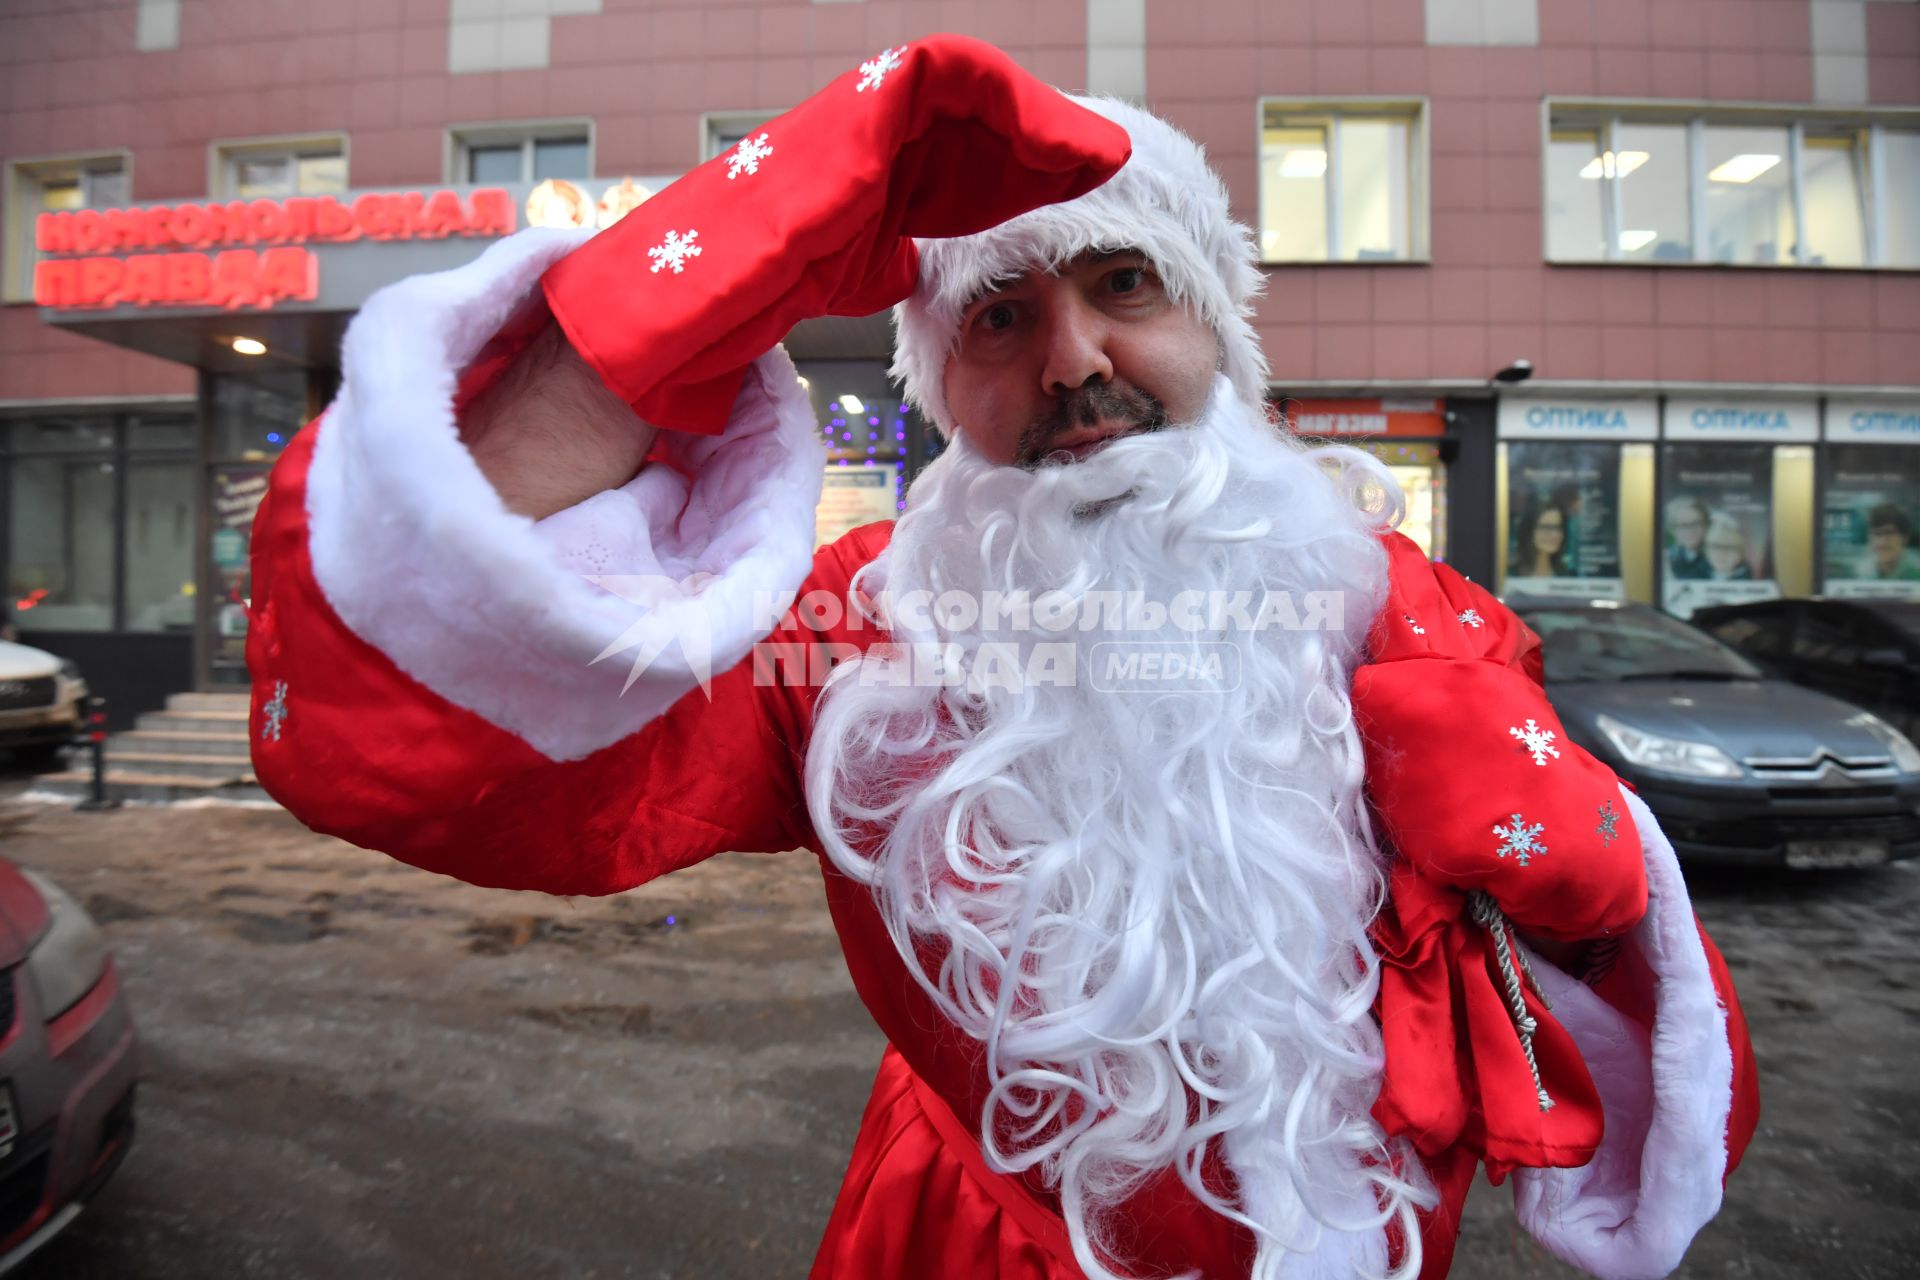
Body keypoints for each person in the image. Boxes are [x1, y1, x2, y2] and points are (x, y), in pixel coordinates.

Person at [246, 38, 1756, 1280]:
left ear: (1216, 327)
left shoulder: (1402, 604)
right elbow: (449, 730)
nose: (1076, 359)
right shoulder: (851, 634)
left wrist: (1592, 876)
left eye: (1126, 286)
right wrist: (648, 316)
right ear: (938, 375)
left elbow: (1587, 984)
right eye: (1002, 313)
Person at [1514, 498, 1570, 578]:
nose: (1555, 534)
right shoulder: (1510, 576)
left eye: (1558, 528)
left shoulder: (1568, 576)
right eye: (1546, 527)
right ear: (1529, 531)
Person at [1863, 503, 1920, 581]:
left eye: (1889, 533)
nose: (1882, 541)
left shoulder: (1916, 574)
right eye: (1876, 533)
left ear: (1904, 537)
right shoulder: (1862, 573)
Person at [1665, 496, 1710, 580]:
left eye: (1696, 523)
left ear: (1706, 525)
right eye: (1683, 525)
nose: (1690, 530)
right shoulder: (1665, 561)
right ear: (1672, 530)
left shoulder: (1718, 558)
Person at [1702, 511, 1753, 581]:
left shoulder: (1750, 579)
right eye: (1716, 546)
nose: (1722, 553)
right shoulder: (1694, 574)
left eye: (1730, 547)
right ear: (1706, 549)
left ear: (1741, 552)